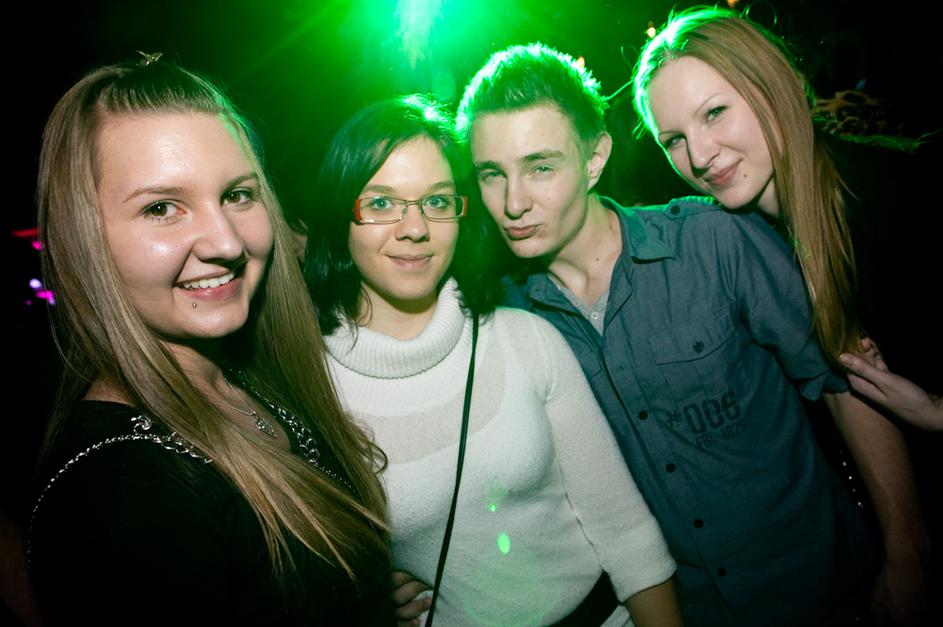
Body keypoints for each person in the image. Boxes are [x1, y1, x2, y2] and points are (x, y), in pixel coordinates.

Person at [454, 41, 927, 627]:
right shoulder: (507, 319)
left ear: (595, 157)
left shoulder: (712, 240)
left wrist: (907, 548)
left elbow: (843, 379)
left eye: (540, 167)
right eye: (492, 174)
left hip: (828, 592)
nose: (513, 202)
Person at [28, 55, 392, 624]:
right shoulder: (127, 496)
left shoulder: (239, 378)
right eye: (162, 208)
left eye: (238, 195)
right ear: (83, 240)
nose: (225, 242)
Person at [302, 94, 682, 626]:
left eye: (437, 201)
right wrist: (366, 593)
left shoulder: (526, 339)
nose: (415, 228)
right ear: (340, 213)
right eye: (382, 203)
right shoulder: (309, 390)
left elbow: (627, 534)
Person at [632, 7, 937, 621]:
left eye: (714, 113)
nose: (700, 154)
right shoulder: (747, 244)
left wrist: (935, 413)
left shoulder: (899, 192)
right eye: (673, 140)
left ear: (770, 84)